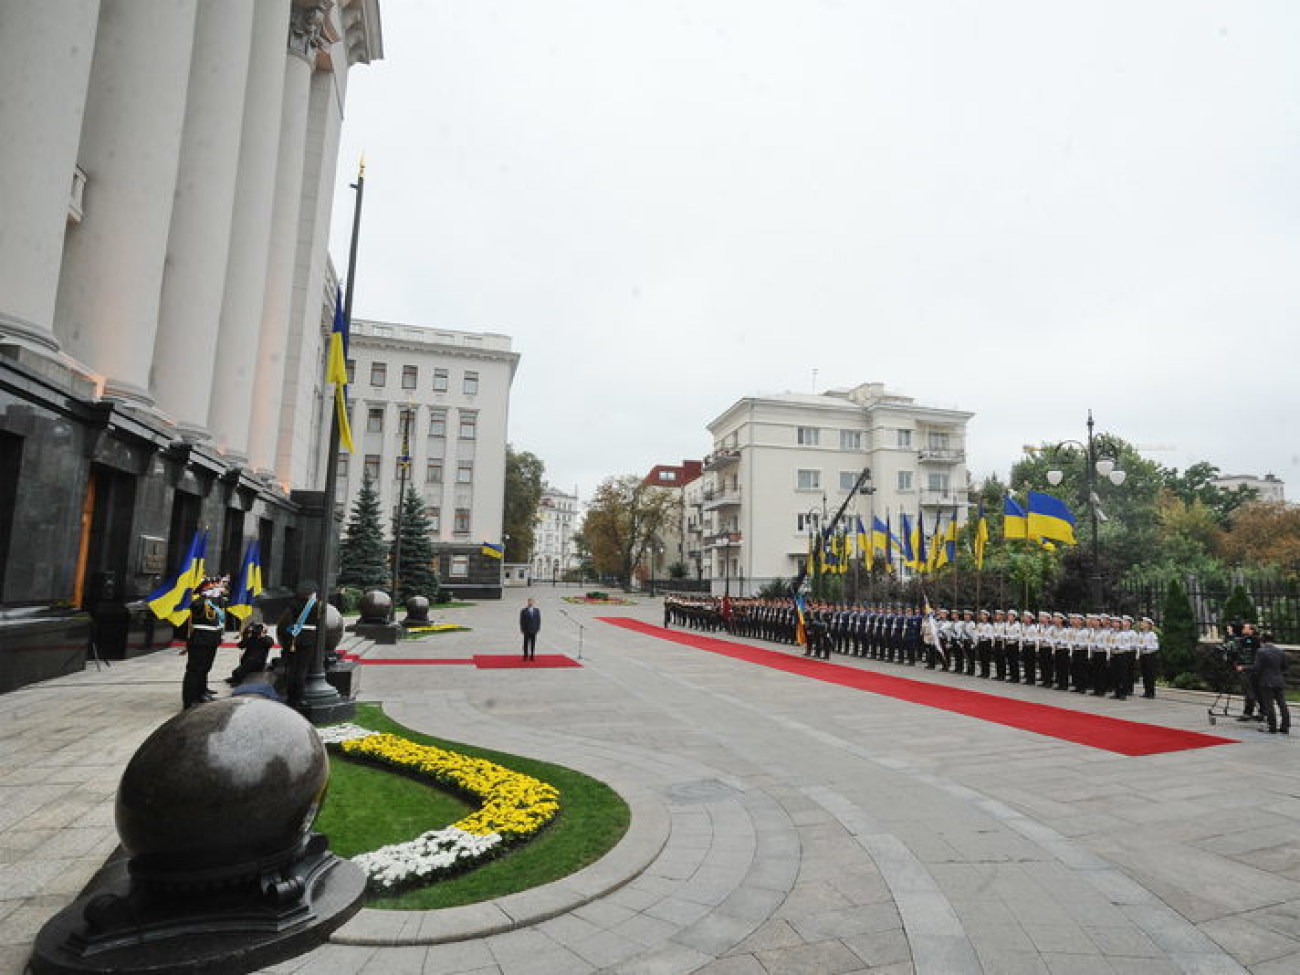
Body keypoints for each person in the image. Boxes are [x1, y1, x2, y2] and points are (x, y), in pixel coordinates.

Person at [182, 575, 228, 709]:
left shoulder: (213, 601)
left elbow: (222, 607)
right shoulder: (199, 602)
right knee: (195, 671)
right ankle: (190, 699)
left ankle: (201, 693)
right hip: (200, 640)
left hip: (211, 640)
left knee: (205, 668)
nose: (216, 589)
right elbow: (197, 607)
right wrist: (206, 597)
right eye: (212, 587)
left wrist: (216, 596)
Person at [277, 582, 322, 709]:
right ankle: (298, 698)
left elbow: (287, 622)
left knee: (292, 669)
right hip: (308, 639)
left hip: (294, 639)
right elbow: (319, 618)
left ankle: (290, 697)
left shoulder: (293, 604)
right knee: (302, 670)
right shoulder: (317, 605)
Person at [1246, 632, 1290, 734]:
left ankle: (1272, 726)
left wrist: (1244, 668)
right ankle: (1285, 726)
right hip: (1279, 681)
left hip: (1266, 682)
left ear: (1263, 641)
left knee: (1269, 704)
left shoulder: (1261, 652)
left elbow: (1257, 668)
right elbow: (1285, 667)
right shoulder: (1280, 651)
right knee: (1282, 704)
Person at [226, 620, 274, 687]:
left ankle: (238, 680)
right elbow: (240, 646)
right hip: (248, 661)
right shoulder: (251, 638)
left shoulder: (267, 639)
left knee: (250, 662)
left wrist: (262, 635)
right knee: (242, 664)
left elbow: (270, 643)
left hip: (258, 663)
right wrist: (245, 635)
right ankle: (235, 677)